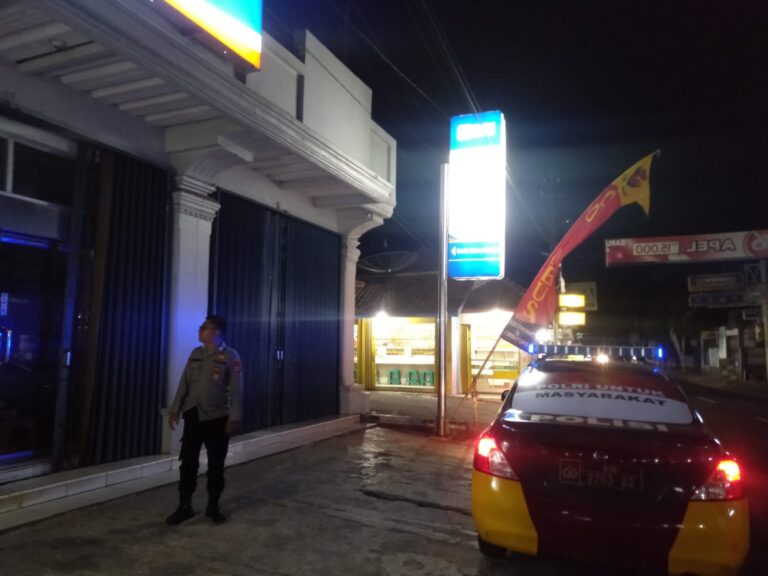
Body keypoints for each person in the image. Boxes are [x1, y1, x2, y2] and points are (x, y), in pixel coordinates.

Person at [166, 315, 242, 525]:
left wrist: (234, 416)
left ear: (216, 332)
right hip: (193, 415)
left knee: (216, 465)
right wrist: (175, 410)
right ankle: (184, 506)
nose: (199, 331)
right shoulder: (195, 354)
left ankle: (213, 506)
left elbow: (236, 389)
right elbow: (184, 384)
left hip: (217, 418)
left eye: (204, 328)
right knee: (188, 463)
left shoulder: (230, 356)